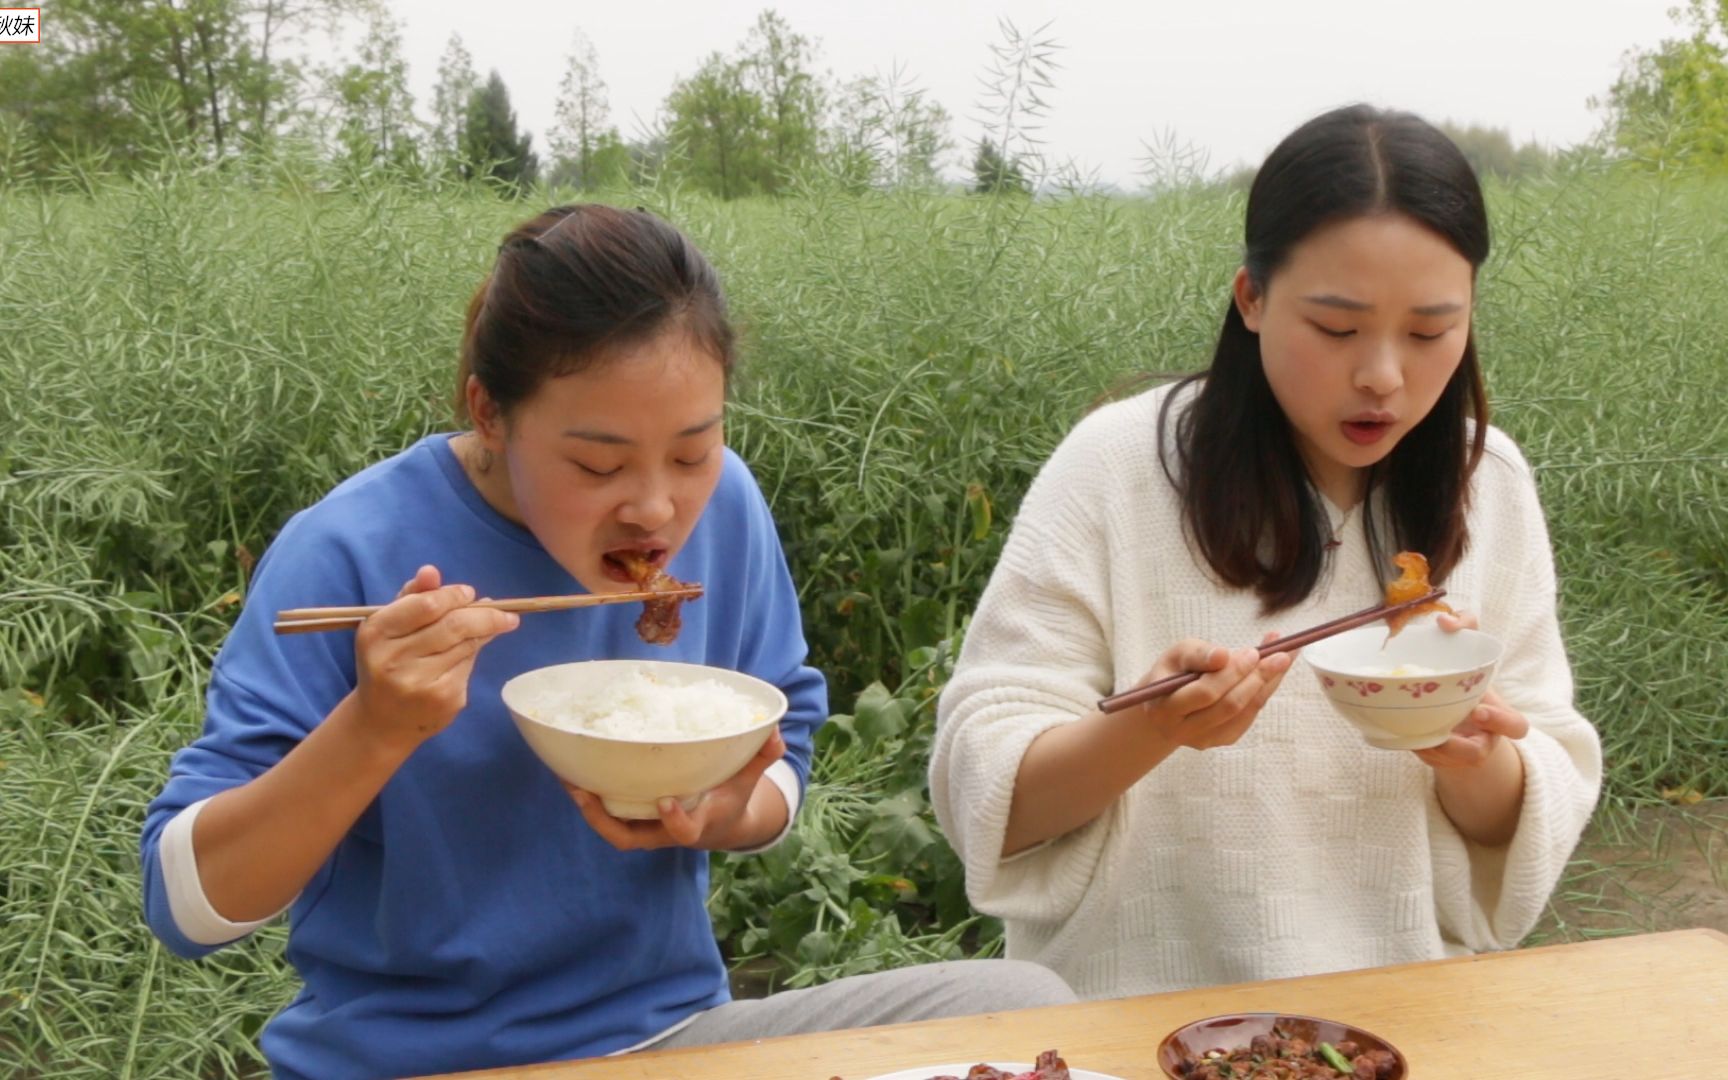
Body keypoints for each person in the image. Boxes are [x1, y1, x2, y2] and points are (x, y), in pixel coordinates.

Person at [141, 204, 1074, 1080]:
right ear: (489, 412)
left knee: (1024, 1008)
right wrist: (374, 729)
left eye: (693, 451)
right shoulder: (349, 549)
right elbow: (187, 907)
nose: (657, 507)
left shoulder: (729, 510)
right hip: (409, 1061)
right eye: (597, 463)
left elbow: (781, 740)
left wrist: (731, 812)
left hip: (668, 1039)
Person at [929, 105, 1602, 1000]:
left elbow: (1540, 787)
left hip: (1399, 1023)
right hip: (1130, 1019)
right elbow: (984, 793)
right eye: (1336, 328)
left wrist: (1478, 759)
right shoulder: (1115, 468)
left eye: (1432, 331)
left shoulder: (1492, 483)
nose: (1383, 377)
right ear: (1251, 297)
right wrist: (1152, 727)